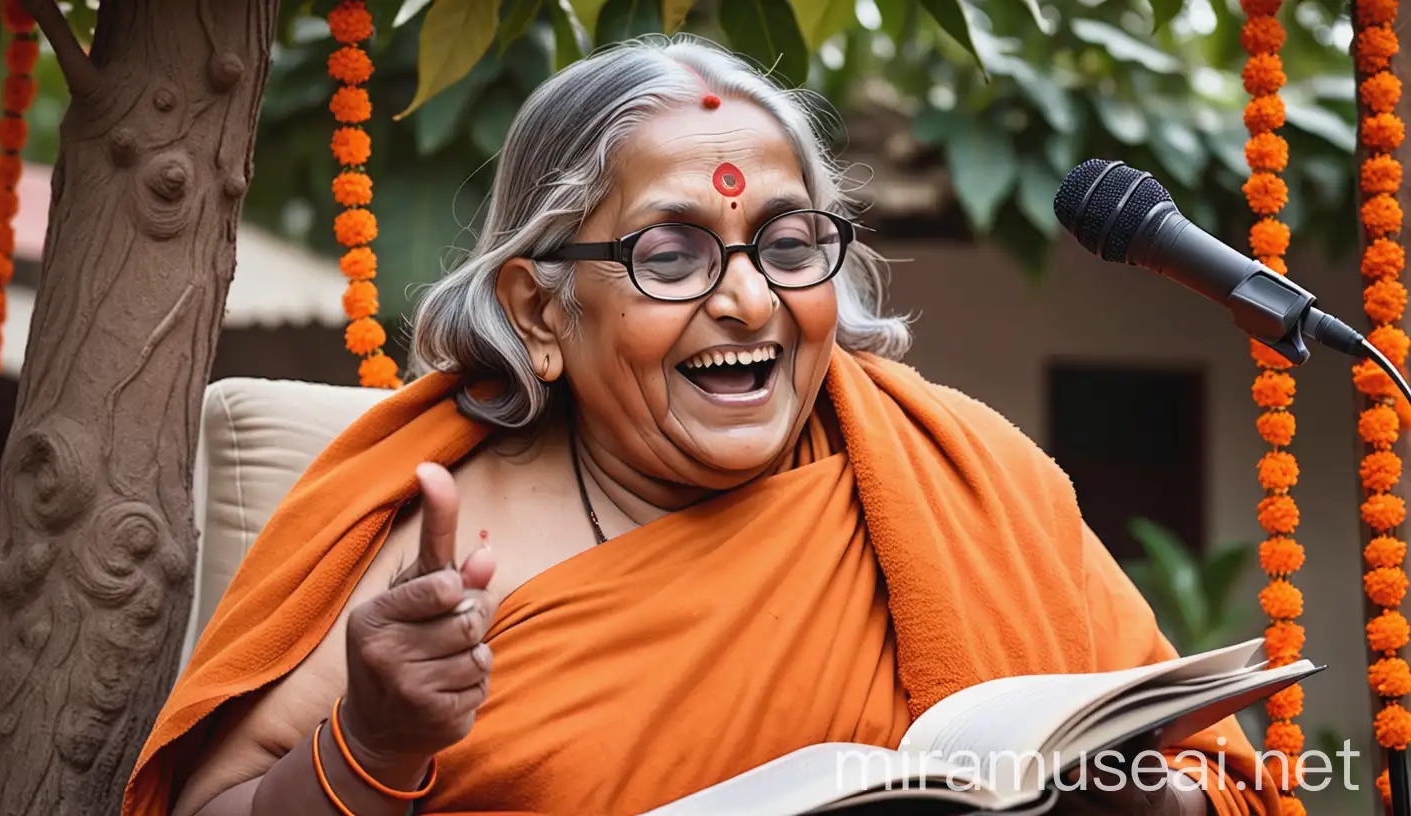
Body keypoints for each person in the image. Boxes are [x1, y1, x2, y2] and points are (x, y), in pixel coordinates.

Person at [125, 35, 1283, 816]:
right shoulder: (425, 540)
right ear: (539, 309)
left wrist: (1123, 793)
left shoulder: (961, 475)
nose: (748, 299)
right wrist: (367, 745)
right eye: (668, 253)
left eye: (787, 244)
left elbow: (1222, 785)